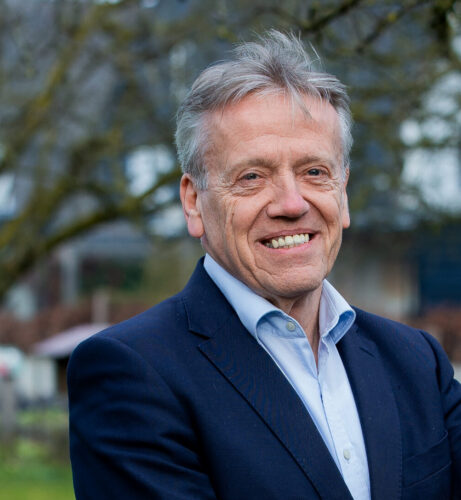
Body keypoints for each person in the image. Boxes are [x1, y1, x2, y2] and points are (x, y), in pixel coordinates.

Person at [68, 31, 461, 500]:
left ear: (343, 192)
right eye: (252, 177)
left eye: (314, 172)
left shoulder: (417, 361)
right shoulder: (131, 374)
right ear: (193, 202)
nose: (292, 204)